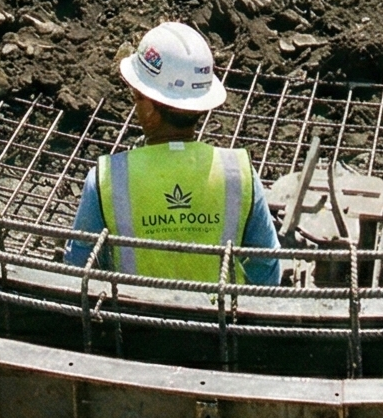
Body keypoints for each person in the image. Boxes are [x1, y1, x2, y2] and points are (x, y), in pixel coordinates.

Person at [66, 20, 281, 284]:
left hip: (132, 321)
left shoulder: (106, 179)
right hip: (219, 322)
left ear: (149, 109)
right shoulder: (241, 174)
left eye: (138, 98)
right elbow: (267, 263)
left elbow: (78, 269)